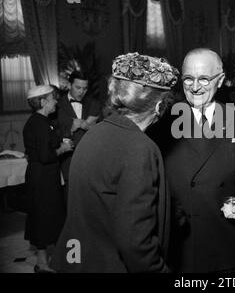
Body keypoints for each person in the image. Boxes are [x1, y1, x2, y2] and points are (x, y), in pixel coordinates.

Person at [50, 53, 177, 272]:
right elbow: (136, 243)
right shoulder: (140, 148)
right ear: (158, 107)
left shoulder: (94, 133)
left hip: (80, 261)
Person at [162, 48, 235, 272]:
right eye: (188, 79)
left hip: (224, 243)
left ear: (219, 81)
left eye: (204, 79)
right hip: (177, 245)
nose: (195, 87)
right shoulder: (162, 122)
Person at [22, 85, 73, 273]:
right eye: (53, 99)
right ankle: (46, 263)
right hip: (42, 178)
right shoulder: (40, 123)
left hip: (43, 176)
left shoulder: (40, 121)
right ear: (43, 101)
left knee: (44, 217)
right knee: (44, 217)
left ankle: (44, 262)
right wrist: (63, 149)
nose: (56, 102)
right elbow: (45, 155)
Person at [56, 71, 101, 187]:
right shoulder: (57, 105)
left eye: (85, 89)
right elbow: (51, 135)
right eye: (78, 87)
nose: (81, 92)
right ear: (69, 85)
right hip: (68, 161)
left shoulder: (94, 103)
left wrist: (88, 126)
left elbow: (103, 131)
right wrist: (70, 129)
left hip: (91, 160)